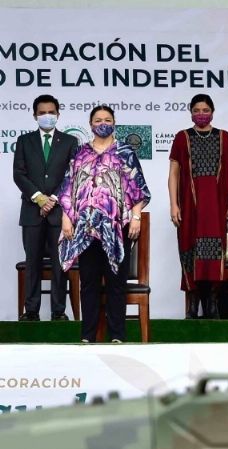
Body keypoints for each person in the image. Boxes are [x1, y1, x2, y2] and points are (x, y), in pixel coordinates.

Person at [59, 105, 151, 343]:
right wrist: (66, 217)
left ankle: (117, 335)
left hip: (116, 228)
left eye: (107, 119)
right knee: (88, 282)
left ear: (114, 122)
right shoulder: (79, 153)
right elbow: (68, 188)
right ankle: (87, 336)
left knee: (116, 282)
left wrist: (137, 217)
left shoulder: (125, 152)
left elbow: (138, 188)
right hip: (85, 229)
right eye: (98, 120)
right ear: (90, 125)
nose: (103, 123)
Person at [168, 93, 228, 319]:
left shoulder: (224, 137)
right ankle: (192, 305)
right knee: (189, 250)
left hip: (217, 206)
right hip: (189, 206)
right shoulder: (182, 138)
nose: (201, 114)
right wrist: (173, 204)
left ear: (212, 112)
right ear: (190, 113)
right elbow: (173, 174)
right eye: (196, 110)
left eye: (205, 110)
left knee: (213, 252)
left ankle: (212, 304)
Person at [13, 94, 79, 321]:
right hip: (32, 212)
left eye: (51, 112)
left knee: (60, 263)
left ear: (58, 114)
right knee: (33, 262)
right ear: (34, 115)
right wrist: (39, 198)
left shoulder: (70, 142)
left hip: (59, 213)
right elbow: (19, 175)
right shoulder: (24, 141)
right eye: (42, 113)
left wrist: (52, 199)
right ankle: (31, 311)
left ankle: (58, 312)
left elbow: (72, 176)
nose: (47, 116)